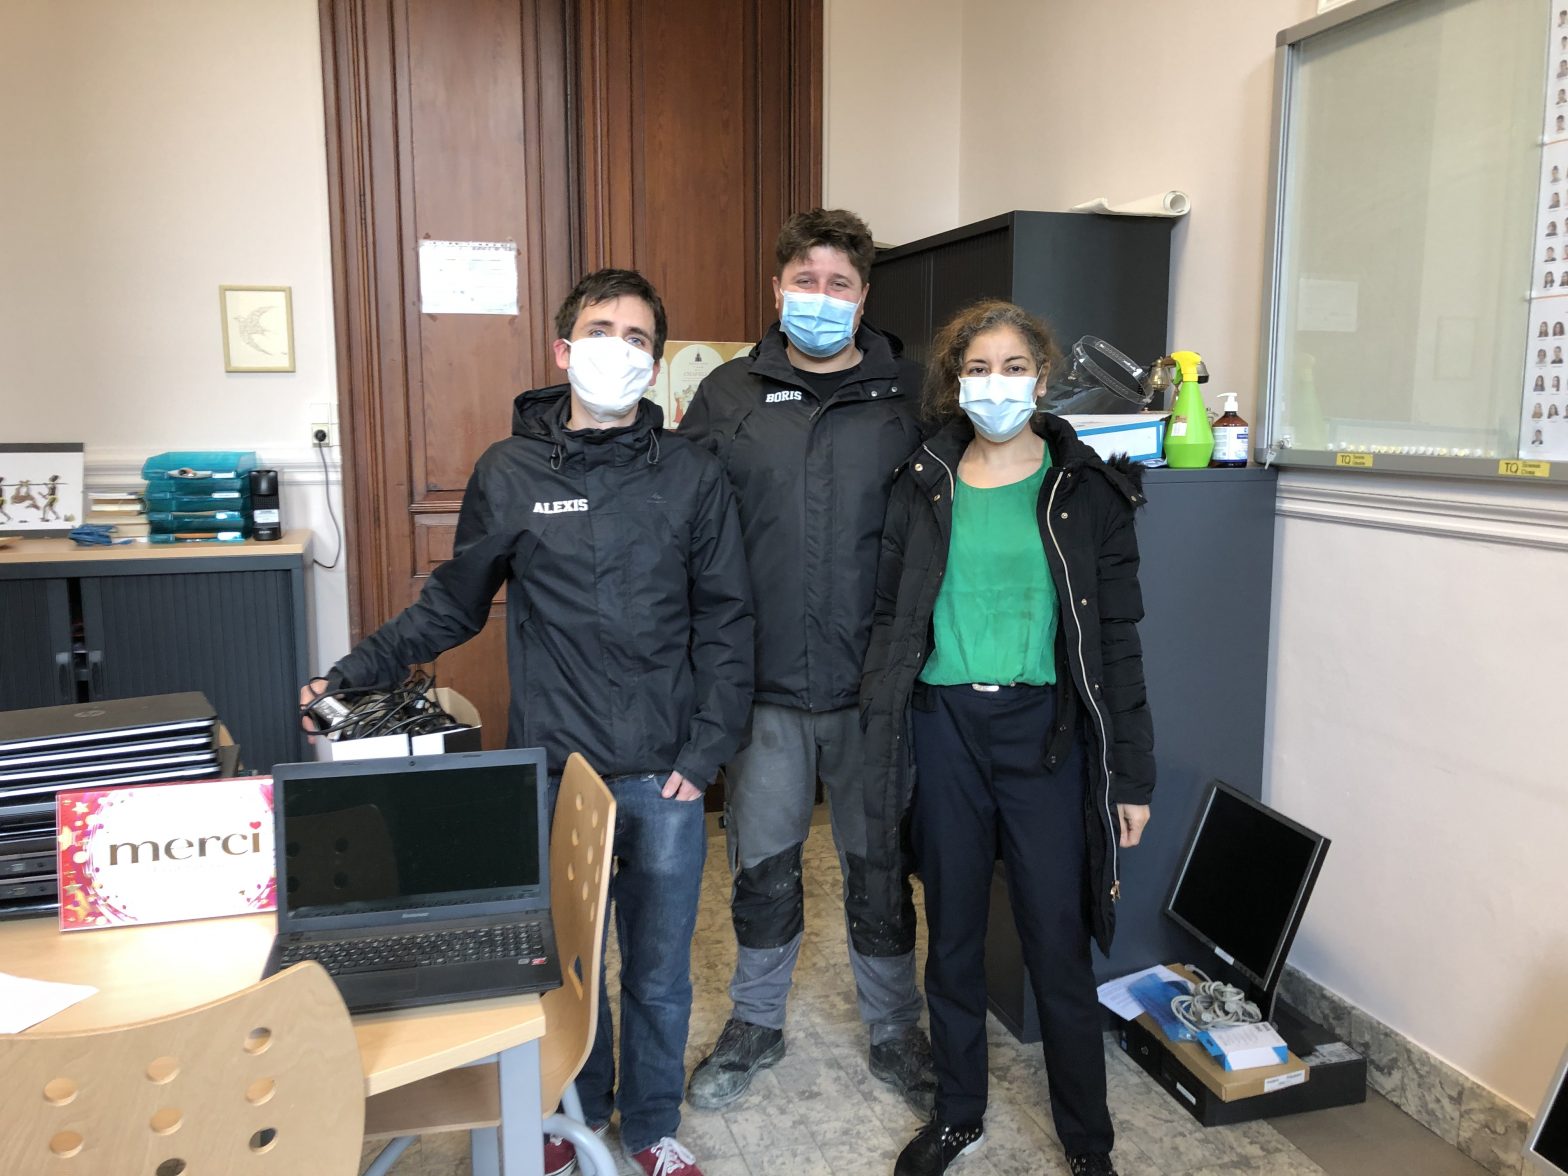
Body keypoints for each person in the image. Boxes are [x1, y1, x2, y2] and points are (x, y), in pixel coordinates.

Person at [299, 269, 754, 1176]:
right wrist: (348, 677)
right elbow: (451, 606)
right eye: (601, 330)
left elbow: (728, 622)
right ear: (562, 349)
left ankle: (651, 1129)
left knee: (658, 968)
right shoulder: (509, 472)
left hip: (665, 771)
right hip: (555, 770)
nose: (618, 349)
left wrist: (705, 754)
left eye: (637, 338)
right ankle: (573, 1114)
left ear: (655, 362)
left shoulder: (693, 474)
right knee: (566, 967)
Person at [861, 300, 1155, 1176]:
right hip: (943, 728)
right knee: (952, 937)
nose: (997, 384)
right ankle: (958, 1115)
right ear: (955, 381)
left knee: (1056, 943)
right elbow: (890, 620)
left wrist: (1130, 777)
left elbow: (1117, 646)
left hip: (1047, 737)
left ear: (1043, 376)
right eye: (979, 368)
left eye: (1014, 367)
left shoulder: (1087, 492)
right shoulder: (922, 483)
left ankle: (1088, 1142)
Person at [679, 208, 936, 1115]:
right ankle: (755, 1021)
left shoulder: (913, 395)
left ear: (863, 298)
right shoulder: (728, 395)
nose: (819, 297)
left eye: (839, 283)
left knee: (878, 865)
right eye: (804, 280)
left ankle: (896, 1027)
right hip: (764, 685)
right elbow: (687, 528)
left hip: (875, 685)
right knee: (762, 865)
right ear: (777, 287)